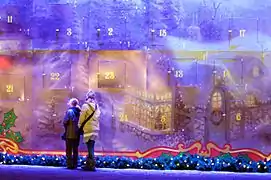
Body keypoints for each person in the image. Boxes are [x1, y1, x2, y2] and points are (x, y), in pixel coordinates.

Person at [79, 90, 101, 171]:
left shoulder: (85, 106)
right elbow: (98, 116)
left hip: (88, 128)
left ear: (87, 97)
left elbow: (82, 118)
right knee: (91, 146)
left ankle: (91, 165)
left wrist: (79, 126)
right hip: (95, 128)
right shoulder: (96, 106)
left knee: (90, 147)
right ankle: (90, 164)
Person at [63, 98, 81, 169]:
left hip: (70, 133)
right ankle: (75, 164)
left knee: (69, 149)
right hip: (77, 134)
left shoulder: (69, 111)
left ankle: (69, 164)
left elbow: (65, 121)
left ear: (71, 103)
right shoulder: (79, 112)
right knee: (75, 149)